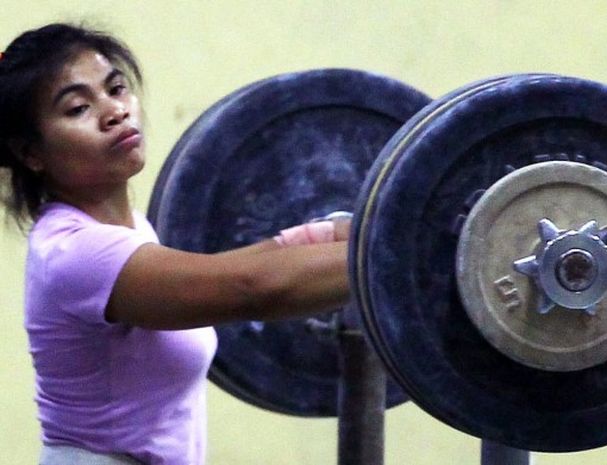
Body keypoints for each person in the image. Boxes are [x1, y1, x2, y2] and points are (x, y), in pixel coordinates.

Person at [0, 23, 350, 465]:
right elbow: (253, 287)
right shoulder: (77, 253)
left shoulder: (131, 233)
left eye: (117, 88)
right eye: (78, 108)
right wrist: (386, 249)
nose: (114, 112)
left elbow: (222, 269)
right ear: (31, 153)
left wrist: (331, 233)